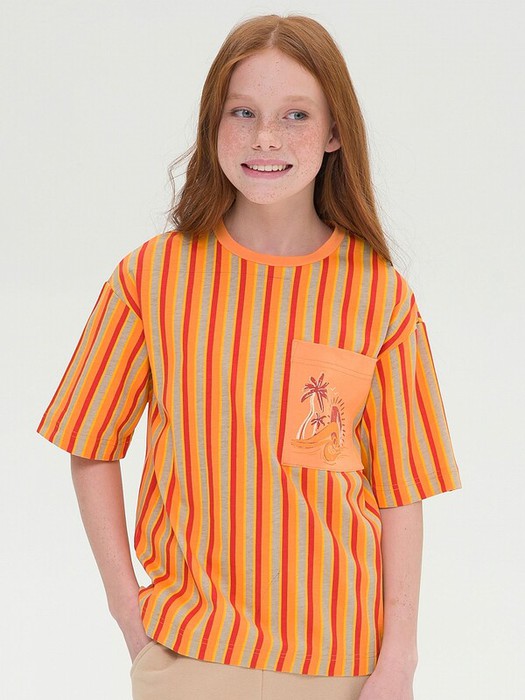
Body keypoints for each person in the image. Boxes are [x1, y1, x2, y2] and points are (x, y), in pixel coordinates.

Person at [37, 13, 462, 700]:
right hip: (189, 655)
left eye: (296, 115)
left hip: (341, 664)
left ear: (334, 132)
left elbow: (400, 490)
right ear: (214, 124)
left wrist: (399, 661)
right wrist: (129, 613)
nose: (266, 137)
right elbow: (90, 443)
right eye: (243, 112)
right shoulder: (152, 277)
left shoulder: (376, 295)